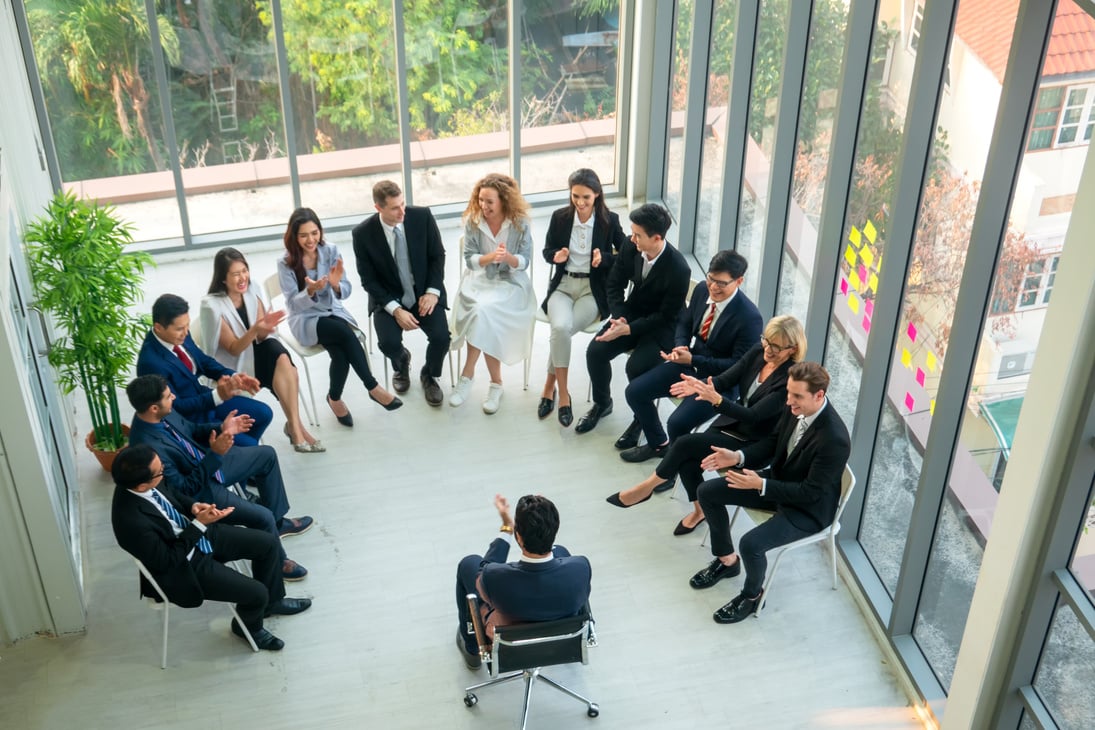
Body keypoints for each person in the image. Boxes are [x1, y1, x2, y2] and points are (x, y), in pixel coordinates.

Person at [606, 316, 805, 535]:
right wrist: (700, 386)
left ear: (792, 349)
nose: (768, 348)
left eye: (776, 346)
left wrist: (717, 400)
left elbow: (753, 416)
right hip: (731, 425)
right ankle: (699, 510)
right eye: (766, 340)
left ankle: (647, 487)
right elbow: (727, 379)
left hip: (754, 443)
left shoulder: (790, 379)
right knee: (687, 455)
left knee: (684, 444)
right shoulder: (759, 352)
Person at [688, 361, 850, 624]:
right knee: (707, 491)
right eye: (788, 392)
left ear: (819, 395)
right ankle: (727, 561)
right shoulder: (795, 408)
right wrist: (737, 456)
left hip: (807, 509)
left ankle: (752, 597)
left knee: (751, 544)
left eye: (797, 396)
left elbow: (810, 492)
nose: (789, 401)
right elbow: (774, 443)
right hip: (778, 484)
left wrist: (761, 486)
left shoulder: (835, 439)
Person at [111, 444, 312, 651]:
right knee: (257, 592)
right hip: (185, 565)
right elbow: (168, 560)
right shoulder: (129, 521)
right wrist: (198, 524)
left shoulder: (148, 478)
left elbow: (171, 493)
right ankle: (247, 627)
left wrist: (192, 506)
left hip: (195, 532)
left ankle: (273, 602)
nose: (164, 471)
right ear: (142, 486)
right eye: (160, 470)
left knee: (267, 543)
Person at [126, 374, 312, 581]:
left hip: (208, 461)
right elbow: (185, 489)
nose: (174, 398)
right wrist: (216, 454)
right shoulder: (148, 447)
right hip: (202, 489)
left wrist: (223, 428)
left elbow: (193, 430)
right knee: (262, 516)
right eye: (169, 396)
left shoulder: (162, 413)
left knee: (266, 455)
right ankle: (278, 562)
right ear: (153, 407)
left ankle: (277, 525)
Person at [618, 250, 763, 463]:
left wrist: (693, 360)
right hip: (690, 364)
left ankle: (673, 468)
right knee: (635, 392)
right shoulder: (702, 290)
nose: (713, 287)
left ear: (739, 281)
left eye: (721, 283)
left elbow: (737, 365)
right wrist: (681, 346)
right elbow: (684, 322)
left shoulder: (749, 317)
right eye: (711, 278)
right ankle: (659, 445)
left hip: (719, 383)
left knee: (677, 423)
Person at [278, 207, 401, 427]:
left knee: (340, 352)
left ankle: (334, 399)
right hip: (305, 319)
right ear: (294, 236)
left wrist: (335, 285)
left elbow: (346, 289)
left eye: (314, 233)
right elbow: (292, 304)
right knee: (343, 333)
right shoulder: (285, 262)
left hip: (332, 311)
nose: (310, 239)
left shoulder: (331, 250)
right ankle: (373, 387)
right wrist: (311, 291)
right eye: (303, 235)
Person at [575, 203, 691, 437]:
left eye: (638, 234)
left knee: (636, 367)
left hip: (662, 327)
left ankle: (641, 420)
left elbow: (666, 316)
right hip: (632, 313)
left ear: (657, 238)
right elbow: (614, 284)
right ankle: (602, 403)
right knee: (596, 351)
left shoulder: (679, 269)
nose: (632, 238)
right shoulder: (630, 245)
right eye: (632, 232)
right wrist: (619, 319)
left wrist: (628, 330)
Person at [198, 248, 323, 454]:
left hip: (257, 352)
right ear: (223, 278)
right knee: (287, 370)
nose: (242, 278)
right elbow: (234, 348)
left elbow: (261, 336)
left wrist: (266, 329)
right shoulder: (211, 306)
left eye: (244, 270)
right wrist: (257, 328)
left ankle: (295, 427)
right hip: (234, 366)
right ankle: (296, 429)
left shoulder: (252, 287)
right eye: (235, 274)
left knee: (283, 359)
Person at [454, 494, 592, 669]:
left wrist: (507, 528)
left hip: (509, 643)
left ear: (519, 537)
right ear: (555, 530)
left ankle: (472, 649)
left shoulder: (495, 577)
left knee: (469, 563)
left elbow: (484, 570)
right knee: (561, 552)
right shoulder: (581, 567)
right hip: (562, 640)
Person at [537, 169, 627, 427]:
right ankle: (564, 396)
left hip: (592, 290)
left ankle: (549, 386)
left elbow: (625, 255)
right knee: (560, 328)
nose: (580, 202)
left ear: (597, 194)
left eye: (586, 197)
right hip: (564, 286)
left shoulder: (610, 220)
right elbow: (547, 251)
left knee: (560, 332)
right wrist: (556, 256)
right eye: (575, 196)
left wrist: (605, 259)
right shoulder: (560, 218)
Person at [352, 180, 450, 407]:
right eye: (395, 208)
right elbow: (368, 280)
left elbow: (438, 256)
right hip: (389, 298)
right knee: (387, 343)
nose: (402, 211)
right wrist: (395, 310)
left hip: (424, 292)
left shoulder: (422, 216)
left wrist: (433, 293)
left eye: (403, 204)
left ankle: (429, 374)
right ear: (379, 208)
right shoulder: (363, 234)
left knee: (441, 338)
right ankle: (402, 362)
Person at [449, 173, 537, 414]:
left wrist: (508, 258)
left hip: (510, 284)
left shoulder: (520, 223)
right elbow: (470, 259)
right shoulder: (473, 222)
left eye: (489, 202)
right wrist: (490, 258)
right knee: (481, 311)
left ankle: (468, 377)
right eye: (480, 200)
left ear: (503, 201)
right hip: (479, 281)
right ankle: (495, 383)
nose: (483, 206)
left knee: (484, 313)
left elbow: (525, 260)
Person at [137, 294, 273, 447]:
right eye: (180, 329)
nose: (186, 332)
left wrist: (234, 377)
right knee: (250, 447)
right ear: (159, 328)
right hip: (192, 420)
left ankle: (238, 460)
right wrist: (217, 396)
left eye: (187, 325)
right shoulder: (151, 364)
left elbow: (203, 361)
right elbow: (175, 408)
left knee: (264, 414)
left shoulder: (179, 334)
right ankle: (238, 456)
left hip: (205, 399)